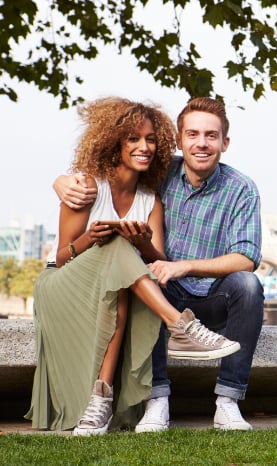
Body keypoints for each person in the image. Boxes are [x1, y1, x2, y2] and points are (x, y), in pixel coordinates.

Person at [28, 97, 239, 436]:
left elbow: (159, 262)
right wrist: (92, 239)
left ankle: (101, 400)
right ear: (115, 143)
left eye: (152, 139)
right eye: (134, 139)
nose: (145, 147)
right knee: (114, 244)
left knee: (122, 252)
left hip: (116, 287)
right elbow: (63, 258)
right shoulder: (87, 187)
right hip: (62, 286)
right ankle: (180, 326)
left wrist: (140, 242)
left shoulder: (150, 199)